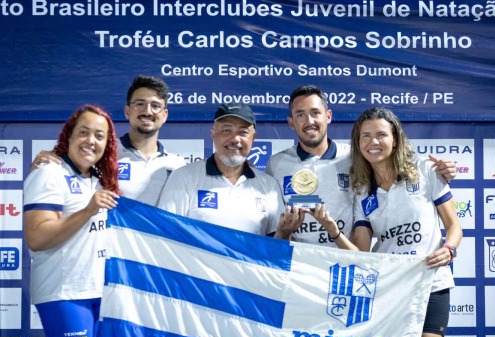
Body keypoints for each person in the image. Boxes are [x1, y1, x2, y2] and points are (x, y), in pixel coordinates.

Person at [311, 107, 462, 337]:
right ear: (358, 143)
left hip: (432, 287)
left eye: (381, 134)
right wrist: (332, 229)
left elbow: (454, 225)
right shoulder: (362, 191)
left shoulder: (426, 170)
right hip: (390, 292)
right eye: (365, 136)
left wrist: (449, 249)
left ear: (395, 137)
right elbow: (360, 252)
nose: (373, 142)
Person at [266, 84, 457, 246]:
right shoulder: (276, 164)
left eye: (316, 113)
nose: (309, 121)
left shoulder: (356, 156)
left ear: (328, 116)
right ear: (291, 122)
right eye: (300, 115)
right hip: (300, 269)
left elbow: (398, 165)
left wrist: (443, 170)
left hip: (346, 262)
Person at [23, 105, 121, 337]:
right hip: (64, 294)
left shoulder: (99, 180)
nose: (91, 140)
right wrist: (89, 209)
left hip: (99, 293)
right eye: (84, 132)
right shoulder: (48, 172)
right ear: (69, 136)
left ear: (107, 144)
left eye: (99, 136)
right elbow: (37, 237)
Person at [31, 75, 185, 206]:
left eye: (155, 106)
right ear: (127, 111)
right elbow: (61, 170)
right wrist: (45, 165)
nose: (147, 111)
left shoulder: (178, 165)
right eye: (140, 104)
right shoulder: (101, 151)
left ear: (165, 115)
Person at [157, 103, 303, 238]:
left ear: (253, 138)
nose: (235, 139)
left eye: (243, 132)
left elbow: (275, 248)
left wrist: (284, 232)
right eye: (227, 131)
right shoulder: (183, 177)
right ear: (213, 135)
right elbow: (165, 235)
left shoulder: (268, 185)